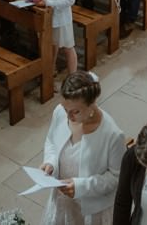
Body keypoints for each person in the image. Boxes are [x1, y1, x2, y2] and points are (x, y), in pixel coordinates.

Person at [41, 71, 125, 225]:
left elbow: (116, 178)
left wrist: (81, 187)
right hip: (62, 200)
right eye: (66, 109)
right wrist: (50, 162)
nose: (68, 116)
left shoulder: (112, 135)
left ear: (91, 104)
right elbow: (51, 141)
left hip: (91, 210)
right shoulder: (60, 113)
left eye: (75, 111)